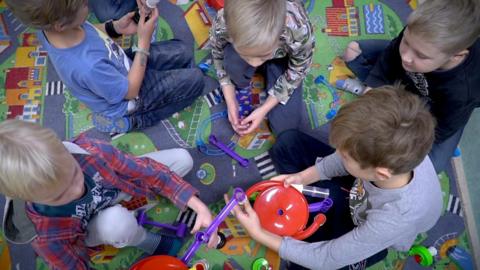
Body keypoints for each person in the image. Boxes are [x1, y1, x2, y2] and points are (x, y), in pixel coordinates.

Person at [227, 85, 443, 269]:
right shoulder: (397, 150)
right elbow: (340, 160)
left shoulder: (395, 217)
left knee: (307, 261)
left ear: (381, 173)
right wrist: (302, 177)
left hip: (367, 221)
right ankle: (329, 201)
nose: (338, 154)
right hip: (361, 183)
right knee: (288, 144)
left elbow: (325, 258)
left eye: (346, 155)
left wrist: (258, 233)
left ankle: (372, 251)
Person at [0, 120, 218, 269]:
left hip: (117, 191)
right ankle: (147, 241)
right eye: (60, 196)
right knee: (116, 223)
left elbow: (144, 169)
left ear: (65, 149)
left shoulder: (91, 151)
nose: (77, 190)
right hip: (95, 225)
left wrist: (198, 205)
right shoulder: (46, 235)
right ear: (30, 199)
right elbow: (74, 265)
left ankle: (131, 213)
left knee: (182, 159)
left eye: (75, 174)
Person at [6, 0, 204, 134]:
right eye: (84, 3)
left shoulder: (54, 29)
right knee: (196, 81)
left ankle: (156, 78)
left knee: (183, 51)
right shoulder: (87, 66)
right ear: (60, 24)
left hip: (120, 66)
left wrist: (115, 27)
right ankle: (134, 121)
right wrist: (143, 42)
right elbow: (130, 91)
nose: (89, 4)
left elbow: (89, 31)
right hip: (128, 96)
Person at [340, 0, 480, 172]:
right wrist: (373, 92)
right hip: (409, 77)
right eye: (406, 41)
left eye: (421, 55)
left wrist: (403, 129)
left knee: (427, 167)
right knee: (353, 51)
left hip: (437, 111)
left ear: (456, 56)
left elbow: (441, 130)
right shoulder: (417, 36)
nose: (406, 56)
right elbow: (390, 57)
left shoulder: (461, 92)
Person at [210, 0, 314, 136]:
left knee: (285, 129)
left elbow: (298, 69)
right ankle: (250, 58)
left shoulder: (299, 30)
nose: (254, 64)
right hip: (249, 43)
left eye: (263, 56)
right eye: (247, 56)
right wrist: (230, 100)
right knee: (235, 73)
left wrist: (264, 108)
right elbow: (217, 53)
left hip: (283, 57)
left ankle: (264, 61)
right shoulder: (224, 21)